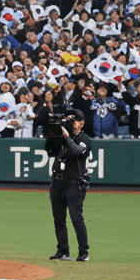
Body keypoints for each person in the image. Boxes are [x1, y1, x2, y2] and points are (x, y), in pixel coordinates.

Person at [46, 108, 92, 262]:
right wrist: (54, 135)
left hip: (75, 182)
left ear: (82, 123)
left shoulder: (85, 138)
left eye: (74, 120)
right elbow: (50, 151)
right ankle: (63, 250)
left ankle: (83, 252)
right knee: (58, 218)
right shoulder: (62, 136)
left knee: (76, 218)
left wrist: (66, 137)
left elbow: (75, 151)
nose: (71, 123)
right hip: (58, 181)